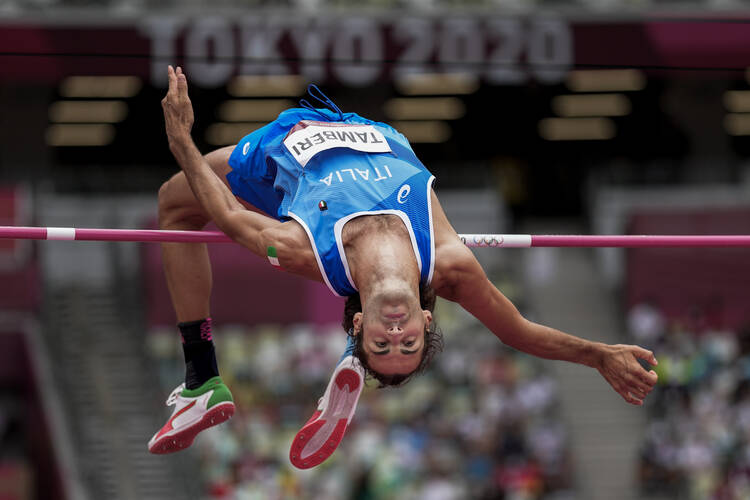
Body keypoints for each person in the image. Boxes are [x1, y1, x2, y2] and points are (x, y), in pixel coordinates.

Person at [148, 66, 659, 463]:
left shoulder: (307, 253)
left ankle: (202, 378)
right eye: (408, 342)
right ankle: (346, 364)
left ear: (360, 323)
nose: (396, 332)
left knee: (175, 201)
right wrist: (597, 354)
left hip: (287, 156)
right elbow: (518, 331)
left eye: (382, 342)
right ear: (425, 320)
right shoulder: (449, 265)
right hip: (371, 136)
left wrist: (181, 142)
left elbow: (228, 217)